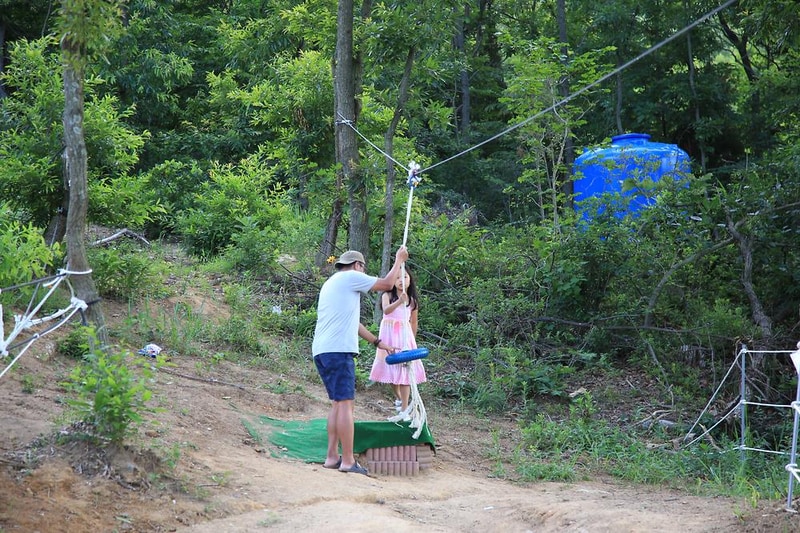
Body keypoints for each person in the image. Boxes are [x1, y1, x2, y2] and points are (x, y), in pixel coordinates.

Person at [312, 246, 409, 476]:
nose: (363, 273)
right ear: (357, 266)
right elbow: (386, 284)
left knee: (338, 403)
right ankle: (347, 461)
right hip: (338, 351)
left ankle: (331, 457)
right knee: (346, 404)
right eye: (363, 268)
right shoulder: (351, 277)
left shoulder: (332, 284)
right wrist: (398, 259)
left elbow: (353, 324)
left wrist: (378, 342)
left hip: (323, 351)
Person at [369, 268, 426, 419]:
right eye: (398, 278)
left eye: (405, 277)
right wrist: (399, 301)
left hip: (404, 339)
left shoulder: (412, 301)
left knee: (405, 372)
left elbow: (413, 322)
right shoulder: (386, 295)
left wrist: (411, 341)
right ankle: (399, 399)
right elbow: (387, 311)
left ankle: (405, 408)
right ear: (392, 281)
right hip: (388, 338)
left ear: (410, 280)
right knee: (390, 371)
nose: (401, 280)